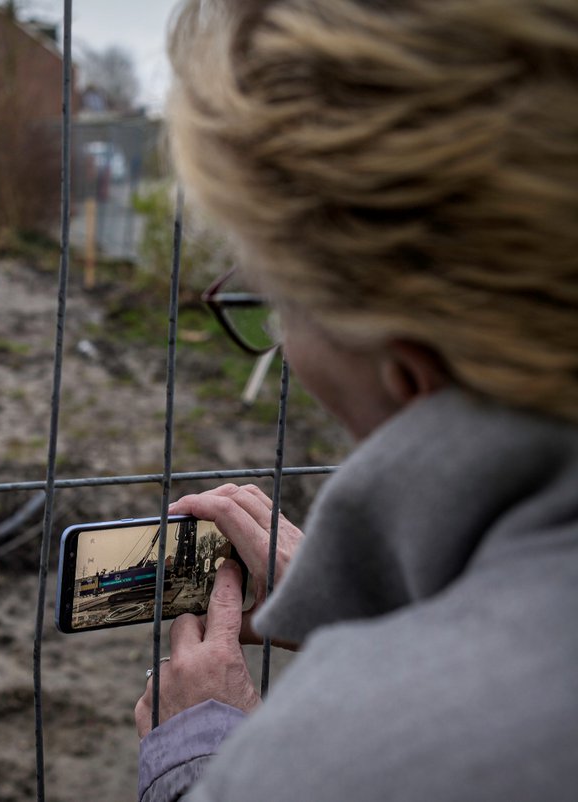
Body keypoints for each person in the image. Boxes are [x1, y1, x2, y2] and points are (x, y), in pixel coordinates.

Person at [134, 2, 578, 800]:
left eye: (276, 298)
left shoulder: (332, 761)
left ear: (406, 368)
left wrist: (203, 760)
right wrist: (367, 603)